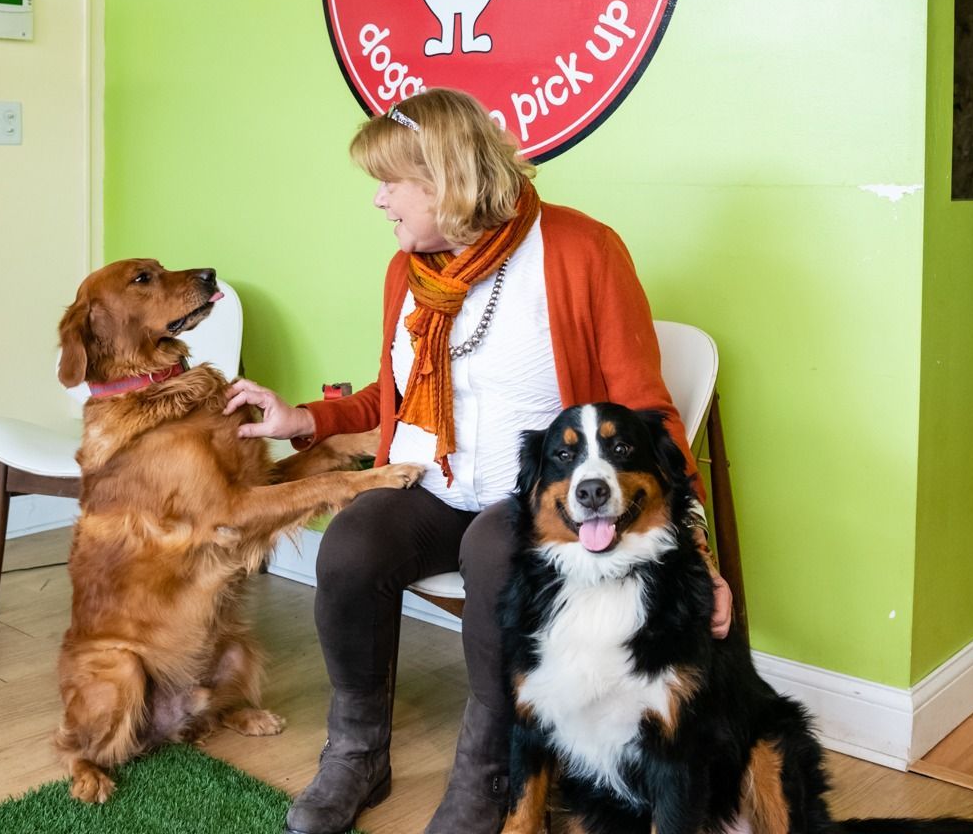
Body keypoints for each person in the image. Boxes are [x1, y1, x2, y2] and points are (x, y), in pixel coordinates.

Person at [225, 87, 732, 834]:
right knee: (352, 546)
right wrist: (302, 418)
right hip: (435, 482)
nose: (379, 202)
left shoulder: (581, 251)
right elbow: (392, 396)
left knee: (494, 552)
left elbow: (647, 413)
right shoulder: (411, 272)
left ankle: (491, 766)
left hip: (537, 500)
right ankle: (359, 751)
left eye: (391, 183)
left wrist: (693, 548)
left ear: (447, 179)